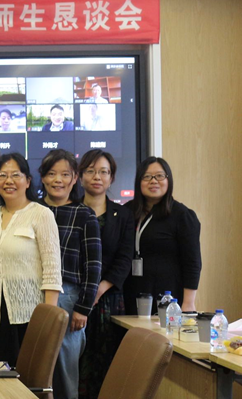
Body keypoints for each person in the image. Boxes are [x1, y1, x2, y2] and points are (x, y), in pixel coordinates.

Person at [0, 153, 62, 366]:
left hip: (31, 313)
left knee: (30, 375)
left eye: (15, 175)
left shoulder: (41, 214)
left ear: (27, 181)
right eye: (2, 176)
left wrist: (48, 318)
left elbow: (52, 270)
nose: (8, 181)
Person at [37, 149, 102, 399]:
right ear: (42, 177)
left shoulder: (84, 215)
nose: (58, 180)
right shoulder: (32, 210)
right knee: (35, 364)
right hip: (33, 294)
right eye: (51, 174)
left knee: (63, 368)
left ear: (75, 178)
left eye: (65, 174)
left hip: (68, 297)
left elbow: (93, 266)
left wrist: (83, 308)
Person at [76, 150, 135, 398]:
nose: (97, 177)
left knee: (108, 359)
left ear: (111, 178)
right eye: (90, 171)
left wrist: (99, 289)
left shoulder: (123, 215)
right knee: (75, 360)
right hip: (75, 297)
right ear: (80, 177)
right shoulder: (71, 210)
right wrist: (86, 293)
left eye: (103, 172)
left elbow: (124, 258)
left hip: (109, 300)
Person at [123, 157, 201, 314]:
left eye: (159, 176)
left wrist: (188, 303)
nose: (153, 181)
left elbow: (192, 262)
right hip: (131, 293)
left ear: (168, 180)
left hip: (167, 297)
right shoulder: (127, 212)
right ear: (139, 181)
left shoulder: (182, 215)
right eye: (147, 176)